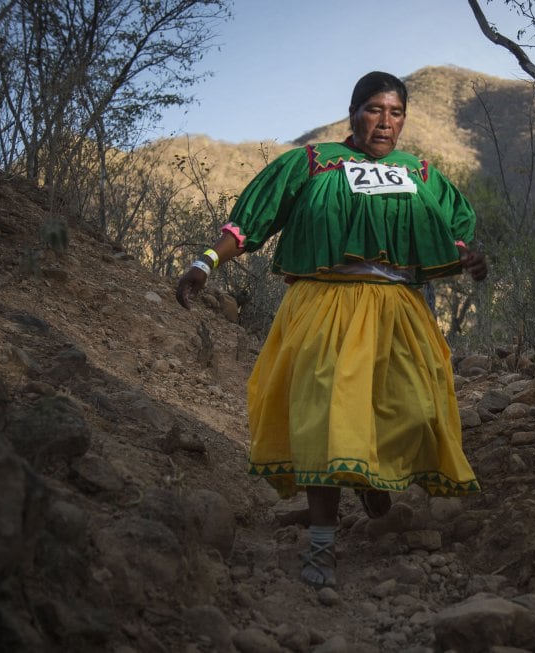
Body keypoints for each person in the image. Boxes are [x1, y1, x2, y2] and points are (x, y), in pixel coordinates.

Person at [175, 71, 487, 589]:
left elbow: (452, 236)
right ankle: (321, 547)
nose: (385, 122)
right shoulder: (312, 163)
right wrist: (205, 264)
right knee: (324, 418)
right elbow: (251, 223)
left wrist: (470, 260)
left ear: (404, 119)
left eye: (395, 112)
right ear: (353, 112)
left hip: (397, 309)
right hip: (323, 304)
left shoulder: (422, 173)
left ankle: (367, 476)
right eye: (374, 110)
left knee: (413, 408)